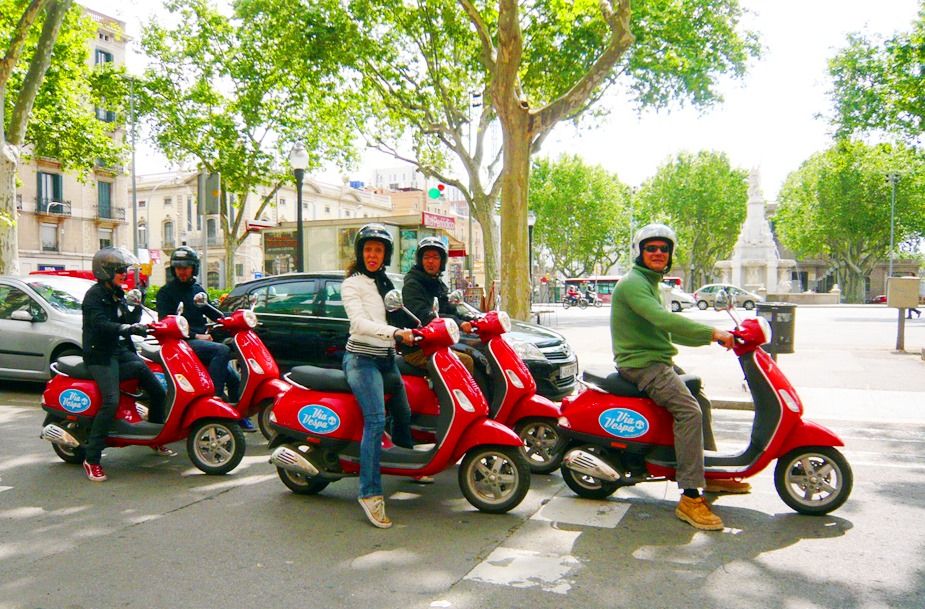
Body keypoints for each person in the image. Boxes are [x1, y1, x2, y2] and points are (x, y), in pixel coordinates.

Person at [611, 223, 748, 532]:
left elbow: (668, 330)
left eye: (664, 249)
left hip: (657, 361)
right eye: (651, 248)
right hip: (641, 365)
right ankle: (690, 496)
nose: (658, 253)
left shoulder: (651, 284)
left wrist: (715, 337)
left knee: (700, 400)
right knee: (688, 411)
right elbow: (663, 320)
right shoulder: (633, 284)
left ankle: (708, 473)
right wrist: (712, 332)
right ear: (640, 253)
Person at [342, 224, 415, 529]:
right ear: (361, 253)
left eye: (379, 250)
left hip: (386, 359)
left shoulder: (385, 282)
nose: (373, 255)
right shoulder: (352, 284)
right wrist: (395, 333)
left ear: (386, 254)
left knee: (404, 411)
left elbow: (400, 314)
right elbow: (359, 324)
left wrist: (423, 327)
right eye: (368, 250)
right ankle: (369, 493)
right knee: (375, 421)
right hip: (361, 360)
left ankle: (409, 465)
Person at [81, 247, 169, 482]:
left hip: (119, 350)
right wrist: (126, 328)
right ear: (105, 272)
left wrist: (137, 306)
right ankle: (92, 459)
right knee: (111, 401)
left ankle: (155, 437)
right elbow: (100, 324)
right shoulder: (94, 296)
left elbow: (128, 319)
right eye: (119, 270)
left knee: (158, 390)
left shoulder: (117, 293)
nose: (124, 274)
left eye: (124, 269)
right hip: (100, 355)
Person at [155, 246, 253, 432]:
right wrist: (196, 335)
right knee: (221, 350)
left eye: (186, 267)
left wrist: (236, 319)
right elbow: (165, 324)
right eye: (178, 268)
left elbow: (212, 312)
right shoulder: (165, 293)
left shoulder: (197, 290)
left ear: (194, 268)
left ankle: (238, 415)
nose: (182, 271)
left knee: (234, 378)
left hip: (200, 342)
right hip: (181, 344)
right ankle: (214, 399)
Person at [400, 236, 478, 375]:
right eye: (426, 257)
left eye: (435, 257)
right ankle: (453, 391)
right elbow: (425, 315)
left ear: (442, 261)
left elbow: (448, 309)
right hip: (418, 348)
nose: (431, 261)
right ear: (420, 260)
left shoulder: (436, 283)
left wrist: (472, 318)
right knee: (464, 361)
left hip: (436, 343)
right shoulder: (413, 284)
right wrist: (459, 323)